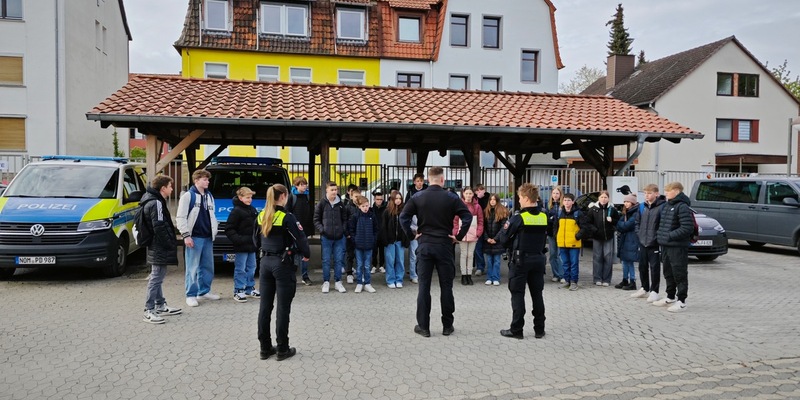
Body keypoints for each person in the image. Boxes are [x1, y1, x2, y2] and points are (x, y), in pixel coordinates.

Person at [400, 166, 472, 338]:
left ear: (427, 180)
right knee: (446, 287)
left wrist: (413, 234)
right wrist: (458, 236)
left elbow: (403, 217)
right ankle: (447, 326)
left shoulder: (417, 197)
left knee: (423, 287)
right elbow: (467, 217)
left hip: (424, 245)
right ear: (442, 179)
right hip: (445, 245)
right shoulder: (451, 197)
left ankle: (423, 327)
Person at [257, 184, 311, 361]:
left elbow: (254, 239)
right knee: (282, 308)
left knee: (265, 307)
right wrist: (306, 255)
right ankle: (282, 349)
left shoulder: (261, 215)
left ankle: (265, 348)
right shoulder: (287, 217)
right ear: (283, 196)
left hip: (264, 263)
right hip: (282, 264)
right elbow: (301, 238)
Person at [492, 183, 549, 339]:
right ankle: (539, 329)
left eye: (519, 198)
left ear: (525, 198)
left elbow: (503, 239)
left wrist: (514, 243)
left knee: (517, 294)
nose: (519, 201)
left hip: (520, 261)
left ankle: (516, 330)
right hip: (538, 259)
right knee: (537, 295)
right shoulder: (544, 216)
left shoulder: (519, 218)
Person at [141, 175, 182, 324]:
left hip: (156, 244)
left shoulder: (152, 199)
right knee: (156, 277)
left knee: (158, 275)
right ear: (163, 188)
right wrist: (169, 243)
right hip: (159, 245)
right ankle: (149, 309)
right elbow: (158, 226)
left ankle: (160, 304)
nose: (172, 189)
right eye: (170, 186)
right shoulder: (156, 203)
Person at [177, 169, 220, 307]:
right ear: (196, 181)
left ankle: (204, 291)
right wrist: (186, 235)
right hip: (194, 237)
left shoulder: (209, 196)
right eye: (205, 179)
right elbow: (181, 217)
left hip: (207, 237)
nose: (207, 181)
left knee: (207, 267)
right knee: (192, 268)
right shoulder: (188, 196)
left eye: (208, 179)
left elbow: (212, 215)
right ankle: (190, 295)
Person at [654, 182, 693, 312]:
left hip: (677, 247)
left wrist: (670, 236)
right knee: (668, 272)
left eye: (668, 191)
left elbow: (687, 228)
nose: (665, 193)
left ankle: (681, 301)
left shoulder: (682, 207)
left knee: (679, 273)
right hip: (666, 245)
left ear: (676, 191)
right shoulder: (666, 206)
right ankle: (670, 296)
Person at [631, 184, 666, 302]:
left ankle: (654, 291)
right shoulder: (642, 207)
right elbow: (637, 222)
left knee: (654, 268)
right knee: (642, 266)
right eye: (645, 193)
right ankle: (644, 288)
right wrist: (639, 234)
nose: (647, 195)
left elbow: (663, 225)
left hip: (654, 243)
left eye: (649, 193)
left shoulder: (662, 207)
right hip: (642, 242)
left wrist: (657, 238)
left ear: (656, 194)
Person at [225, 187, 260, 302]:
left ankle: (250, 288)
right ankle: (239, 290)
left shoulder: (252, 210)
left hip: (251, 245)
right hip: (241, 246)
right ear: (240, 198)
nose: (250, 199)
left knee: (252, 267)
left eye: (251, 197)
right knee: (240, 268)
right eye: (247, 197)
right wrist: (238, 240)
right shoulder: (236, 211)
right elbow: (229, 228)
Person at [314, 181, 348, 294]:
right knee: (326, 260)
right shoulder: (321, 203)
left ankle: (338, 282)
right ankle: (326, 282)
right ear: (327, 190)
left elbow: (345, 219)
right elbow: (316, 219)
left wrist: (342, 229)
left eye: (336, 190)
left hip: (339, 237)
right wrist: (322, 230)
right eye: (332, 190)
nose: (334, 192)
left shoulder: (341, 204)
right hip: (326, 237)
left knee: (338, 260)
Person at [555, 193, 587, 291]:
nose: (566, 202)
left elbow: (584, 227)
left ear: (573, 202)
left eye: (569, 200)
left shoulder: (578, 213)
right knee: (565, 263)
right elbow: (555, 227)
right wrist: (556, 235)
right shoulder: (560, 213)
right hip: (562, 243)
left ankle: (574, 282)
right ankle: (567, 281)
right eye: (565, 200)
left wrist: (577, 236)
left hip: (574, 243)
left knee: (574, 263)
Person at [285, 176, 314, 286]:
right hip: (294, 230)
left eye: (305, 184)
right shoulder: (292, 197)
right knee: (293, 253)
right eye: (302, 185)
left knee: (305, 254)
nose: (304, 186)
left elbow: (309, 212)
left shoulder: (307, 196)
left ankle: (305, 276)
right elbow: (288, 213)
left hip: (304, 230)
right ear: (296, 186)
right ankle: (292, 276)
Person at [587, 191, 619, 286]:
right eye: (602, 197)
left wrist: (612, 222)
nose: (603, 199)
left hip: (608, 237)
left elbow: (617, 221)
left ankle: (606, 279)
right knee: (597, 257)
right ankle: (597, 278)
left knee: (608, 257)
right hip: (597, 237)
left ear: (608, 198)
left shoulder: (612, 209)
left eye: (605, 197)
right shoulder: (593, 209)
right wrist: (594, 230)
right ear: (598, 198)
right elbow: (588, 222)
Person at [453, 187, 484, 285]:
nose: (468, 195)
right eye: (466, 193)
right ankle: (463, 275)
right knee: (463, 254)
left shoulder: (477, 207)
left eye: (470, 193)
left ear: (473, 195)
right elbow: (455, 221)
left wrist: (478, 232)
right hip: (462, 234)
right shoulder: (459, 206)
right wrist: (456, 233)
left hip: (473, 234)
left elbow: (480, 221)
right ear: (463, 194)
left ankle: (469, 275)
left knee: (470, 255)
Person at [347, 196, 378, 293]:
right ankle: (359, 283)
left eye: (367, 206)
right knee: (359, 265)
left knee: (367, 266)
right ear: (359, 206)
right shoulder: (355, 216)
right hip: (359, 245)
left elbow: (376, 229)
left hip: (369, 244)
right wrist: (354, 240)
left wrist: (373, 239)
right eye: (363, 206)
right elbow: (351, 229)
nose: (366, 208)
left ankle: (367, 283)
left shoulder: (372, 216)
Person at [381, 190, 409, 288]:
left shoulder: (404, 211)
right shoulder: (387, 212)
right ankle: (390, 280)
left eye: (400, 198)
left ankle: (399, 279)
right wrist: (385, 240)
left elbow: (406, 226)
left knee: (400, 260)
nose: (398, 200)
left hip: (400, 240)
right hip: (390, 241)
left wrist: (406, 239)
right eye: (396, 198)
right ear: (392, 199)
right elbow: (383, 227)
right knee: (390, 260)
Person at [482, 194, 509, 286]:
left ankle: (496, 278)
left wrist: (496, 239)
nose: (492, 201)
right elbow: (483, 227)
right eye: (491, 199)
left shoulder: (503, 211)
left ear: (497, 201)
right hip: (488, 240)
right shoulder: (485, 211)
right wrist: (487, 238)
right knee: (489, 260)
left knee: (497, 260)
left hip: (498, 241)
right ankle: (489, 278)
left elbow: (503, 228)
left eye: (494, 199)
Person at [615, 194, 640, 291]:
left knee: (629, 261)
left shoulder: (635, 213)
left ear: (633, 202)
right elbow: (619, 224)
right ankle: (625, 279)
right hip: (625, 239)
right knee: (624, 261)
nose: (626, 204)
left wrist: (622, 225)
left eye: (628, 202)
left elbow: (626, 225)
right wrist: (621, 224)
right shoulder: (626, 212)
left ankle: (632, 281)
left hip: (632, 239)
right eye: (625, 202)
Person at [545, 186, 565, 283]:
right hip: (551, 233)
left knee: (560, 254)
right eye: (554, 193)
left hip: (561, 232)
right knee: (553, 254)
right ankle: (555, 274)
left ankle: (562, 275)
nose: (555, 195)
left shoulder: (563, 205)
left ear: (560, 194)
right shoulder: (549, 205)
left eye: (557, 193)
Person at [343, 185, 361, 284]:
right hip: (350, 235)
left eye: (359, 196)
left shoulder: (362, 206)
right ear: (351, 196)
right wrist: (347, 234)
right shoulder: (347, 207)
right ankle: (349, 273)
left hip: (360, 235)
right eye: (355, 196)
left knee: (359, 255)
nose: (357, 198)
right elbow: (344, 221)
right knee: (350, 255)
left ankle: (359, 273)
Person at [473, 184, 491, 276]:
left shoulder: (490, 198)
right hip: (478, 226)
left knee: (489, 248)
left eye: (482, 189)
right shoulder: (474, 200)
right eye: (478, 190)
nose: (481, 192)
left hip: (489, 226)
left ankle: (491, 268)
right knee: (478, 248)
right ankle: (480, 267)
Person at [370, 191, 386, 274]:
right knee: (374, 250)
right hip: (374, 233)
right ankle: (374, 265)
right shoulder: (371, 209)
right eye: (377, 199)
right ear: (374, 199)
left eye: (380, 199)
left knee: (382, 250)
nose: (379, 201)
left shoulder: (385, 209)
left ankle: (382, 265)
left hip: (383, 233)